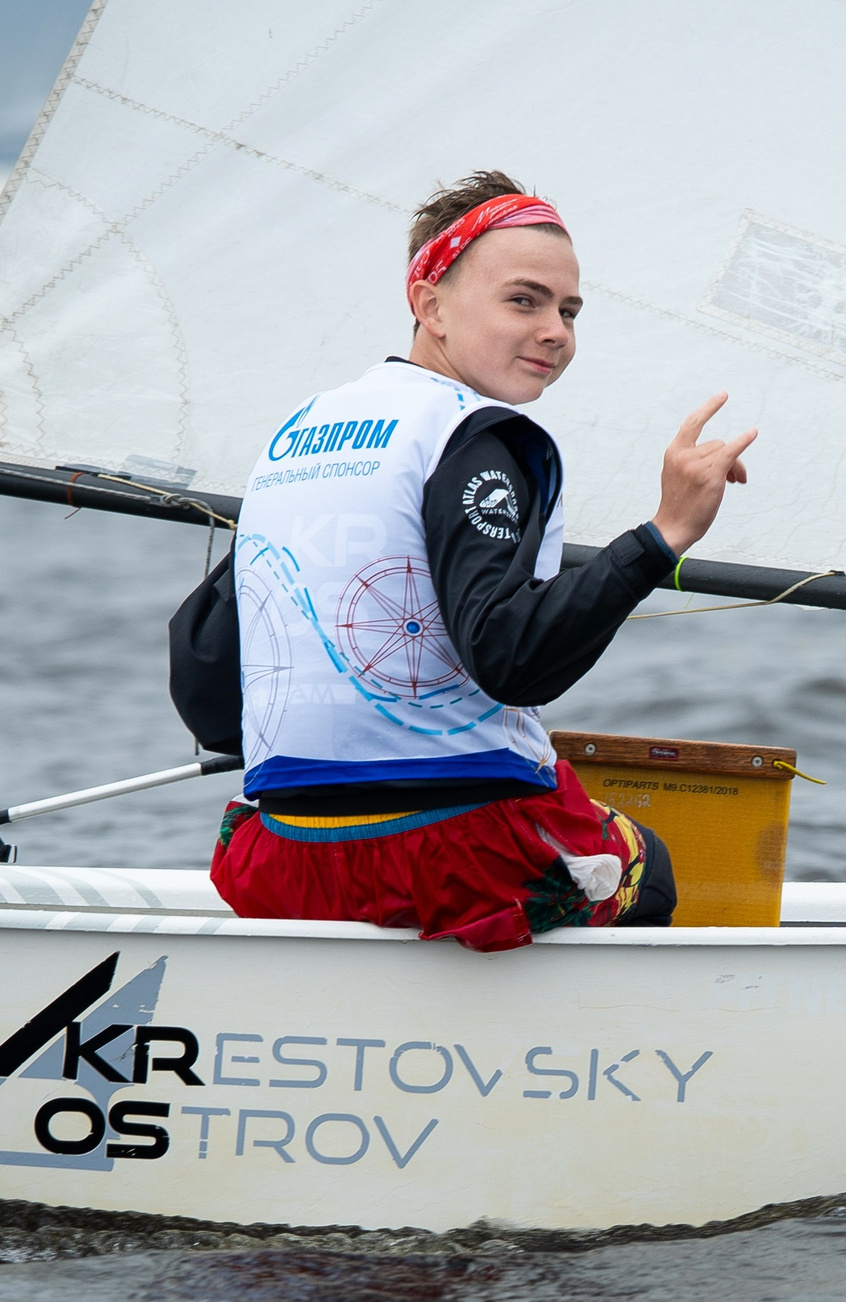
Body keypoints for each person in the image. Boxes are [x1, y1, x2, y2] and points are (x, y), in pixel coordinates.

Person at [194, 171, 757, 952]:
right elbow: (512, 661)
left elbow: (207, 691)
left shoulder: (298, 432)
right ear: (429, 304)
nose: (556, 330)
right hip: (453, 857)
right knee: (645, 865)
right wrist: (664, 533)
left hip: (284, 859)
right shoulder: (478, 434)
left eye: (569, 310)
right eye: (523, 301)